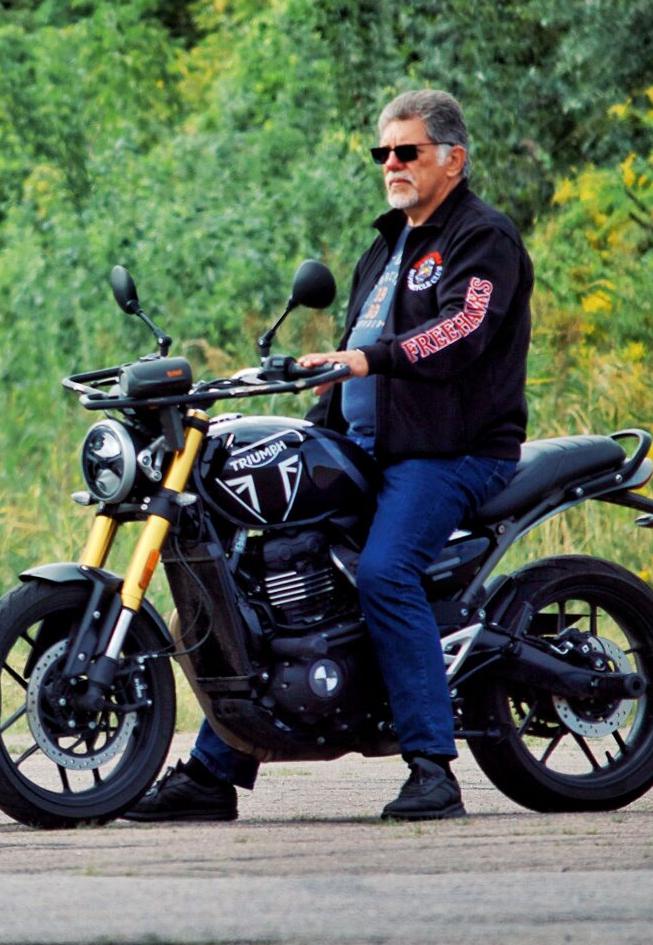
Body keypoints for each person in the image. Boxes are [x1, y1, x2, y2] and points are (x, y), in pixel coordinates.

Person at [126, 89, 533, 823]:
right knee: (265, 575)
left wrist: (366, 359)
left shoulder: (483, 237)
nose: (392, 164)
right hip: (368, 449)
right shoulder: (385, 246)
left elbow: (462, 330)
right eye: (383, 152)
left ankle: (433, 770)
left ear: (453, 159)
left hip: (452, 452)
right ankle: (215, 772)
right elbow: (348, 364)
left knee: (385, 573)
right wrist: (316, 423)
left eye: (407, 150)